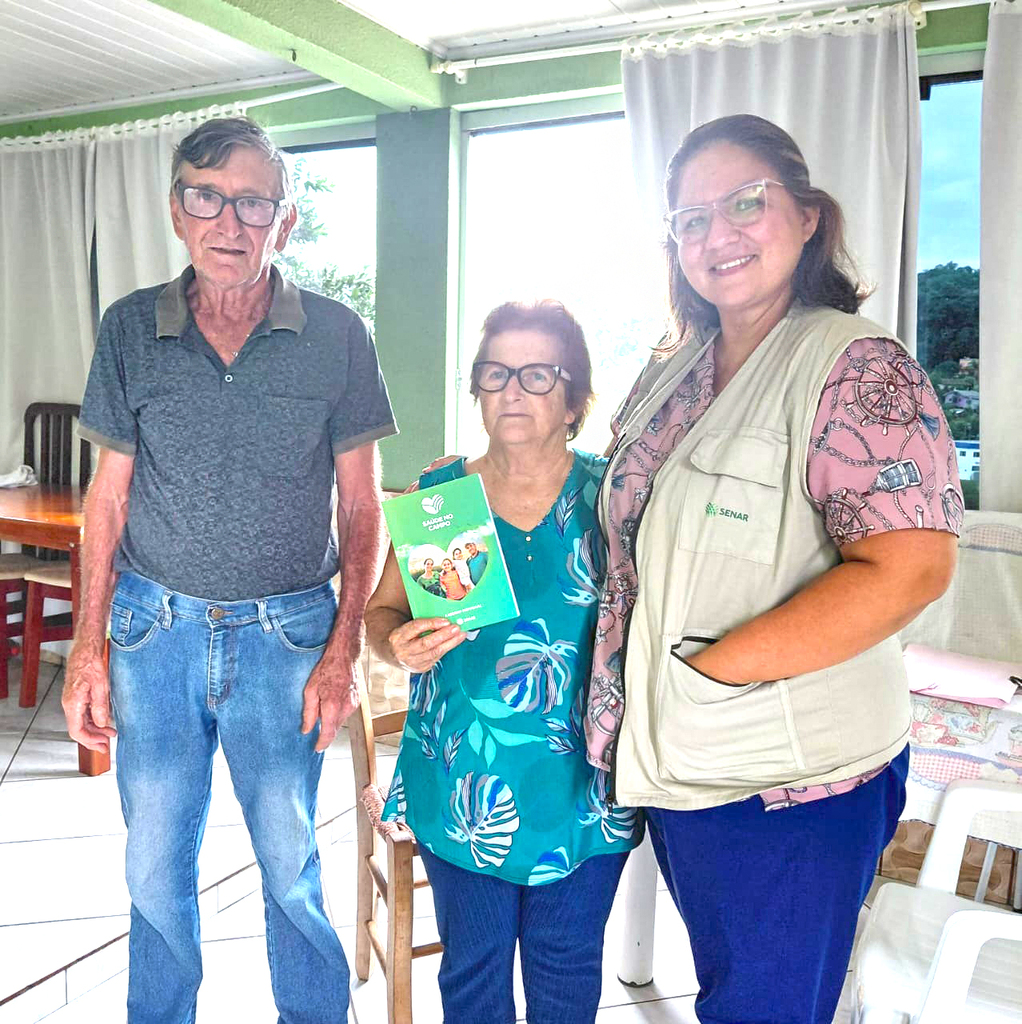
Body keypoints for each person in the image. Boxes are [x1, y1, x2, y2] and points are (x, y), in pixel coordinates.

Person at [584, 114, 962, 1024]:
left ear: (806, 217)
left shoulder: (855, 365)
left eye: (744, 203)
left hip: (788, 783)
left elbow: (908, 569)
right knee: (733, 987)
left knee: (765, 1007)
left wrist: (713, 673)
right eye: (690, 219)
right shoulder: (673, 369)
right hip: (683, 760)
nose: (717, 234)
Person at [63, 116, 397, 1024]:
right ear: (178, 212)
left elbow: (362, 508)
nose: (229, 222)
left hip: (285, 641)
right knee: (153, 865)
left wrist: (340, 657)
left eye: (253, 202)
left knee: (290, 865)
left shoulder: (337, 334)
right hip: (152, 635)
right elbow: (108, 501)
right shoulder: (131, 327)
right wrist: (86, 648)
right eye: (207, 197)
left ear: (284, 221)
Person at [365, 300, 639, 1024]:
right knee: (474, 975)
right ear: (478, 389)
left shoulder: (613, 498)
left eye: (538, 374)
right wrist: (396, 641)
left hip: (585, 785)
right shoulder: (442, 497)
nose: (513, 389)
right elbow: (380, 614)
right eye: (496, 372)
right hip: (462, 785)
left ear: (576, 396)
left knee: (566, 973)